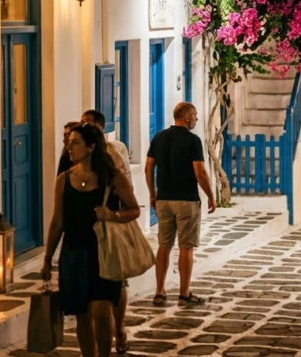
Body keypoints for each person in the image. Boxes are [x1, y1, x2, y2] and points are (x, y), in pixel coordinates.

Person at [41, 124, 141, 357]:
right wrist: (47, 258)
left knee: (101, 312)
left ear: (91, 147)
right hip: (74, 253)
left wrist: (113, 215)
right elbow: (58, 222)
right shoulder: (64, 180)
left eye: (75, 142)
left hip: (104, 253)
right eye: (69, 142)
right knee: (82, 315)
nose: (69, 146)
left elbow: (134, 210)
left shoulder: (112, 178)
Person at [146, 103, 217, 307]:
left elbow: (148, 168)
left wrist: (153, 194)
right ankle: (184, 294)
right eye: (194, 115)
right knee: (186, 247)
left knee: (164, 246)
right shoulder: (193, 141)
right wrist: (210, 196)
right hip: (186, 200)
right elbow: (200, 172)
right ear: (186, 117)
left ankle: (159, 292)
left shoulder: (159, 137)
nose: (196, 119)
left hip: (164, 200)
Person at [80, 111, 131, 353]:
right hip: (84, 238)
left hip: (112, 233)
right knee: (90, 302)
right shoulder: (74, 159)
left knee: (117, 286)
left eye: (89, 125)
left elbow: (126, 192)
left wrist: (116, 217)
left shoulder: (115, 153)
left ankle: (118, 329)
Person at [82, 110, 130, 176]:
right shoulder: (81, 149)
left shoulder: (114, 150)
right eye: (82, 123)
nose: (82, 127)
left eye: (86, 124)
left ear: (99, 126)